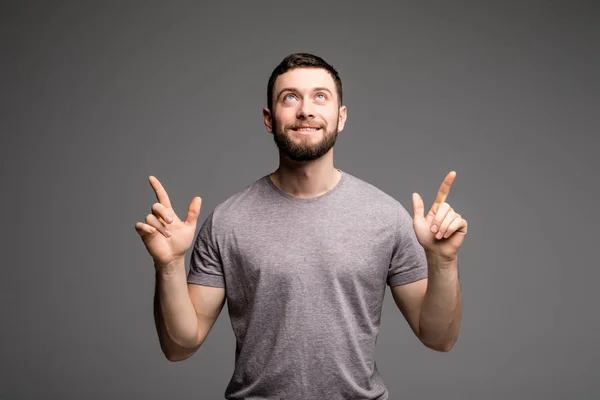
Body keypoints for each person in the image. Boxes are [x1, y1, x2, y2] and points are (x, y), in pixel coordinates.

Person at [135, 53, 467, 400]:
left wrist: (443, 262)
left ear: (341, 118)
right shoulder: (227, 221)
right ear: (269, 118)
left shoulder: (386, 216)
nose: (305, 110)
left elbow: (439, 338)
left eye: (320, 96)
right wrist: (169, 264)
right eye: (290, 97)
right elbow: (180, 347)